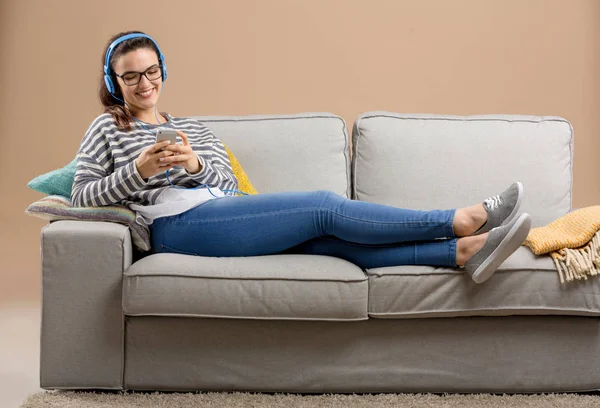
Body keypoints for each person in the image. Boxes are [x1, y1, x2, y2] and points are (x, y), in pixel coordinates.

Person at [72, 31, 532, 284]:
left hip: (215, 210)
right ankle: (460, 219)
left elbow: (227, 188)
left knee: (330, 244)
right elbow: (81, 196)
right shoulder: (109, 127)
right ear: (115, 83)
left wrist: (193, 166)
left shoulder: (193, 128)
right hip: (174, 226)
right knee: (321, 206)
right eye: (130, 77)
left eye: (151, 71)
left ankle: (461, 252)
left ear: (162, 72)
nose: (143, 83)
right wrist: (139, 171)